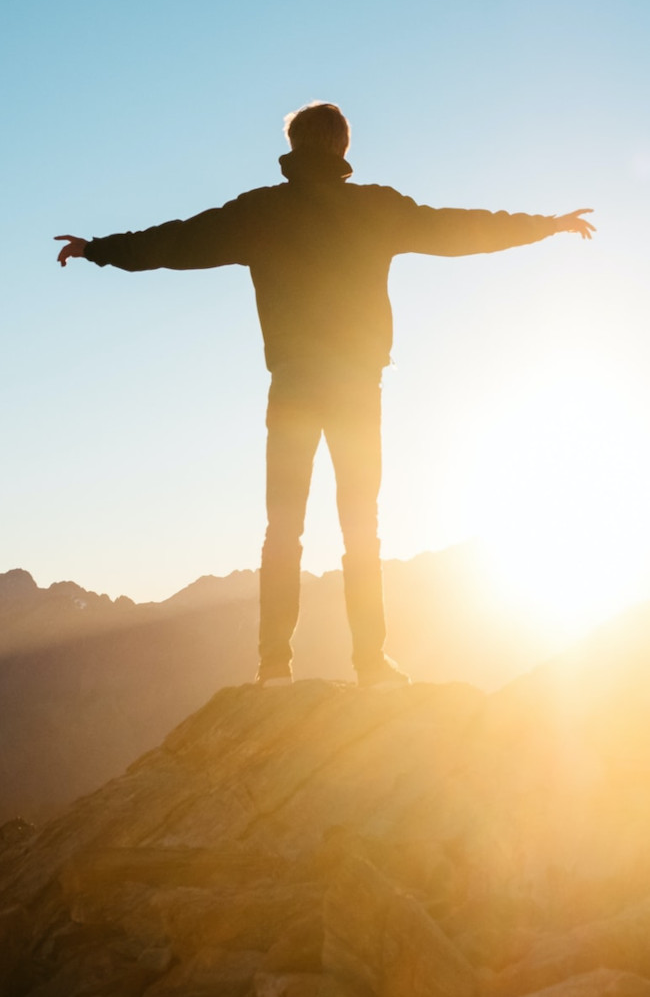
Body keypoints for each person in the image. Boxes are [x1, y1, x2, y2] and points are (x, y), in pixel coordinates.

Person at [56, 102, 595, 688]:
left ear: (293, 144)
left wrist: (98, 248)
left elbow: (176, 242)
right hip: (358, 385)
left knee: (283, 526)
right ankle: (371, 665)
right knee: (361, 524)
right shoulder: (375, 208)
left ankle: (273, 668)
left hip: (293, 385)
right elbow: (463, 228)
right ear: (342, 147)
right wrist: (547, 224)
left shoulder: (261, 211)